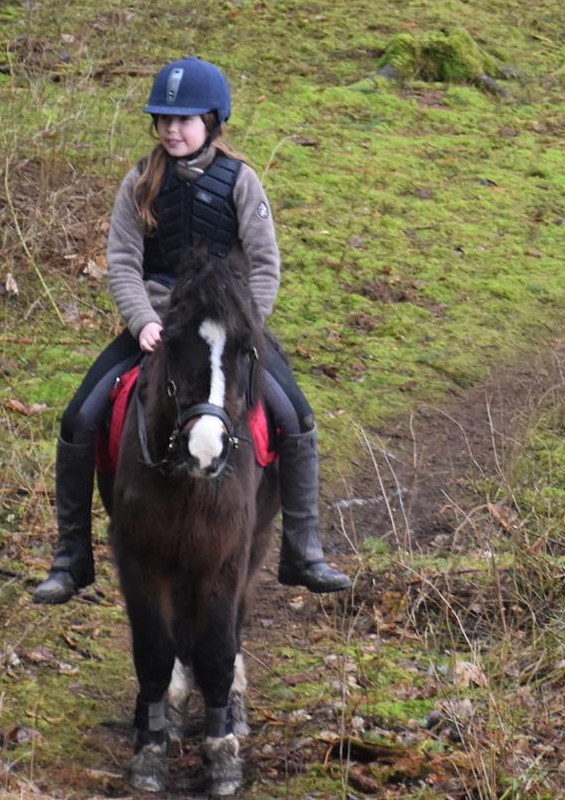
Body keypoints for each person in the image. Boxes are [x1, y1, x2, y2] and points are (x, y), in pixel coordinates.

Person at [33, 56, 351, 604]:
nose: (172, 130)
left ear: (212, 121)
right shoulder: (140, 181)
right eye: (163, 120)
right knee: (78, 420)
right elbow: (124, 262)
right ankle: (71, 555)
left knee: (295, 417)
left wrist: (243, 328)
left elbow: (265, 264)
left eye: (184, 120)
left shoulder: (242, 182)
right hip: (157, 327)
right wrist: (144, 323)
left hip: (230, 330)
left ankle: (303, 549)